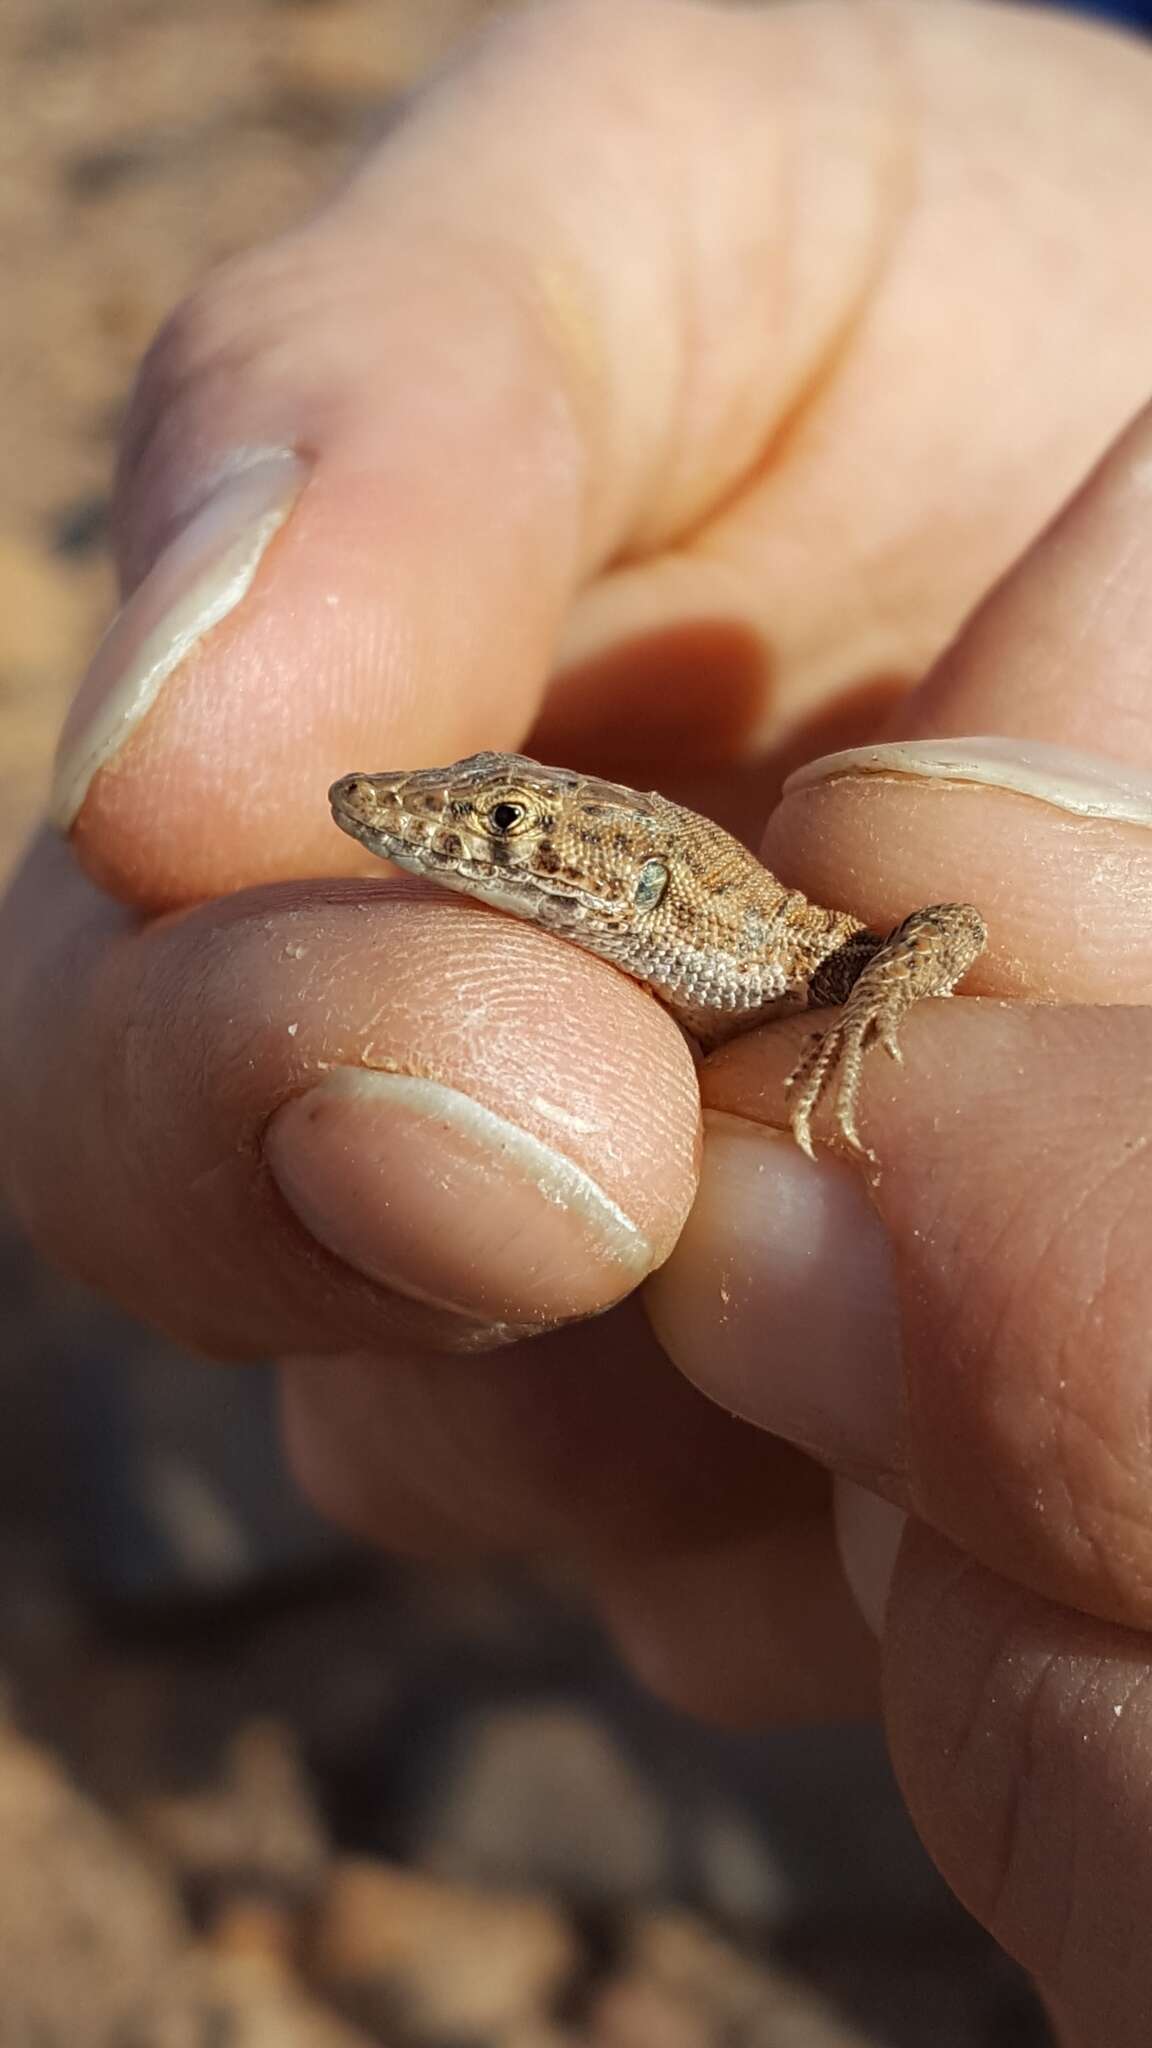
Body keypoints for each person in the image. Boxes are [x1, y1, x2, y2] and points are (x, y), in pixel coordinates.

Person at [5, 2, 1152, 2036]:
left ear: (623, 875)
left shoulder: (808, 937)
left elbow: (964, 909)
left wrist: (878, 1003)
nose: (467, 842)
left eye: (512, 826)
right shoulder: (653, 960)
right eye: (495, 820)